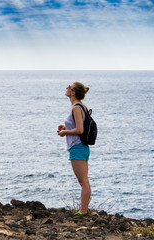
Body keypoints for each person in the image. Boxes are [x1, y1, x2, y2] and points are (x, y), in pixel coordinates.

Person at [58, 81, 91, 215]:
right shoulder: (80, 106)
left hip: (77, 147)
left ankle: (82, 212)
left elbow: (80, 129)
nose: (66, 88)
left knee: (83, 182)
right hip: (81, 146)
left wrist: (65, 132)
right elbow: (78, 127)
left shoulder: (76, 107)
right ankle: (83, 210)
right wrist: (66, 128)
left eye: (69, 87)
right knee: (84, 181)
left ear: (73, 93)